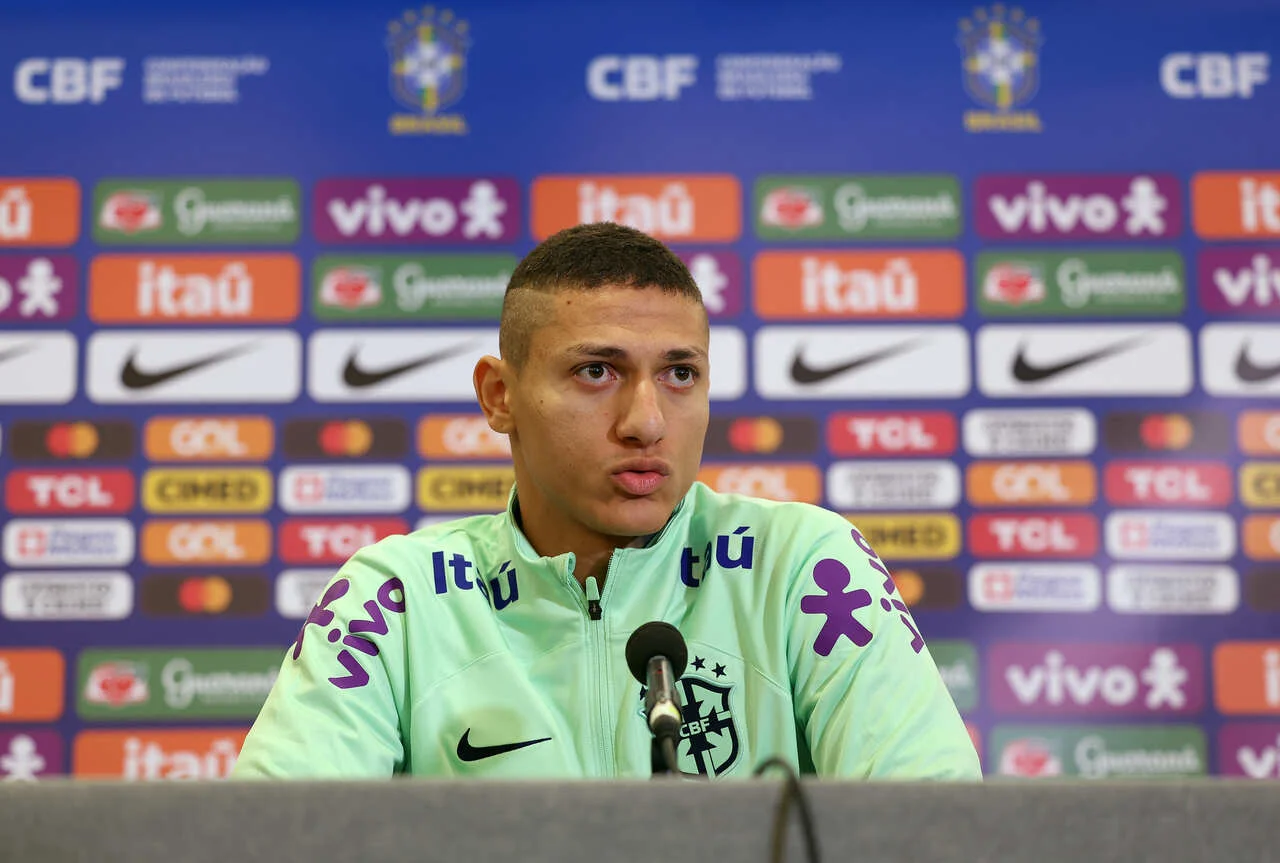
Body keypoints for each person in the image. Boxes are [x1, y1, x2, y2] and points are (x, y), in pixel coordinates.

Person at [232, 222, 981, 780]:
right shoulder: (398, 597)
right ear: (500, 395)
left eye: (680, 374)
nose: (646, 421)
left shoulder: (802, 566)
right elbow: (274, 837)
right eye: (597, 371)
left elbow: (935, 828)